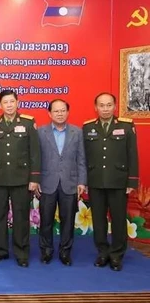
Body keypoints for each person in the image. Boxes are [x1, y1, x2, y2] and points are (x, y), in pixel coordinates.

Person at [83, 92, 139, 271]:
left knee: (118, 219)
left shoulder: (126, 126)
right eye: (101, 105)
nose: (105, 109)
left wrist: (131, 182)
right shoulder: (87, 128)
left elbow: (133, 156)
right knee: (98, 220)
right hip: (96, 181)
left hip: (118, 182)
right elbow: (83, 157)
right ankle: (102, 252)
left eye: (108, 105)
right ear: (95, 107)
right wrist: (83, 181)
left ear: (114, 107)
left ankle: (116, 255)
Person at [0, 89, 41, 267]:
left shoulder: (27, 122)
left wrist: (34, 178)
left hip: (21, 179)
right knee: (0, 216)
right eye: (5, 102)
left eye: (12, 101)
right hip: (0, 179)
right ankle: (1, 250)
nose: (9, 105)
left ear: (17, 102)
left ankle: (22, 252)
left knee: (21, 217)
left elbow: (35, 152)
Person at [36, 99, 86, 266]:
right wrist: (35, 181)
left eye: (63, 110)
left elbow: (81, 159)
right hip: (46, 182)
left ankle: (65, 252)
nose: (59, 113)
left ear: (68, 112)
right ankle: (46, 251)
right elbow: (35, 159)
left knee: (68, 221)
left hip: (70, 183)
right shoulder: (40, 132)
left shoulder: (77, 132)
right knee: (46, 221)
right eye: (56, 111)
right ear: (49, 113)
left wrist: (82, 182)